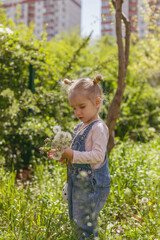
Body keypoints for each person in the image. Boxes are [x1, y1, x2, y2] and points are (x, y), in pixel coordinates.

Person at [48, 75, 110, 239]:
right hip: (78, 182)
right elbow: (77, 153)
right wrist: (62, 155)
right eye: (74, 108)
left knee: (85, 225)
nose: (77, 112)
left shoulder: (98, 128)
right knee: (76, 221)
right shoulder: (80, 127)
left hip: (92, 185)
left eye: (82, 107)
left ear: (97, 103)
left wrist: (72, 154)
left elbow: (97, 156)